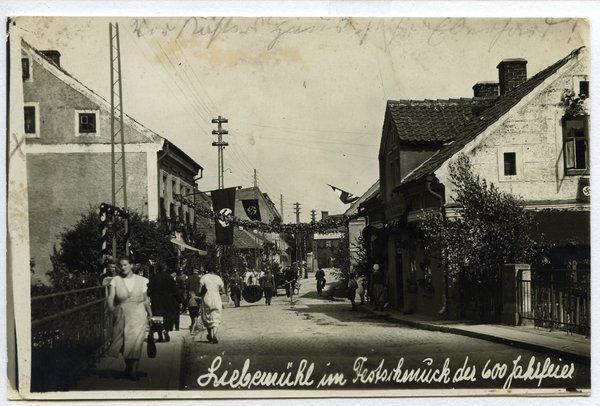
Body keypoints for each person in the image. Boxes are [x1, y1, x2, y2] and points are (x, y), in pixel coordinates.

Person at [106, 256, 152, 381]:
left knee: (136, 343)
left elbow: (146, 299)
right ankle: (129, 365)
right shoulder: (115, 280)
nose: (123, 267)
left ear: (132, 265)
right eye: (121, 265)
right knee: (121, 344)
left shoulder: (142, 280)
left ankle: (133, 372)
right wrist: (110, 309)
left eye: (125, 264)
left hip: (138, 315)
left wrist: (150, 314)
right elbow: (110, 297)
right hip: (121, 314)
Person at [148, 263, 178, 341]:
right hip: (168, 299)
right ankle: (166, 330)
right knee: (168, 316)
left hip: (156, 300)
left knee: (158, 317)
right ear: (165, 268)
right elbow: (174, 289)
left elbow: (149, 289)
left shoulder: (153, 277)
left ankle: (160, 335)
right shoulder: (169, 278)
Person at [199, 263, 225, 344]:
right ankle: (214, 335)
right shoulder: (218, 278)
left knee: (207, 316)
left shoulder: (204, 277)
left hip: (207, 298)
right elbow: (223, 290)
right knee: (216, 317)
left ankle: (210, 334)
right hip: (216, 298)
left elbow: (199, 291)